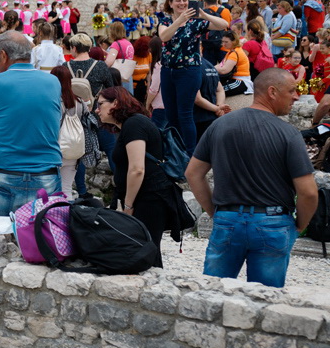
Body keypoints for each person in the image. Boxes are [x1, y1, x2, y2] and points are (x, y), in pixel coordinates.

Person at [186, 68, 318, 288]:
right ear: (272, 92)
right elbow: (309, 192)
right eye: (292, 91)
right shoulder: (288, 134)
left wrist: (214, 212)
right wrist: (298, 227)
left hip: (227, 220)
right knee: (265, 301)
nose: (296, 96)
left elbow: (192, 173)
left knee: (213, 294)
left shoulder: (219, 125)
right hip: (273, 222)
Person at [96, 87, 192, 265]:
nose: (96, 109)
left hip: (149, 197)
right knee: (143, 247)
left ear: (115, 103)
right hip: (147, 195)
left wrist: (128, 206)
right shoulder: (130, 125)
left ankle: (152, 289)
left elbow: (137, 168)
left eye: (100, 104)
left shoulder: (134, 124)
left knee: (144, 249)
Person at [0, 32, 63, 216]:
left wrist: (6, 135)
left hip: (6, 171)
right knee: (44, 236)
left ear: (3, 56)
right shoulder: (52, 81)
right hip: (46, 173)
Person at [159, 0, 227, 156]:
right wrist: (179, 20)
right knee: (171, 114)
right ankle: (177, 151)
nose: (182, 3)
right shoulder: (165, 21)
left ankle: (191, 155)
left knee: (185, 113)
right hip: (168, 71)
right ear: (171, 3)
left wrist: (204, 15)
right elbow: (164, 37)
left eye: (185, 0)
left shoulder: (196, 22)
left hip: (189, 71)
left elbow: (223, 25)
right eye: (178, 0)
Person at [51, 65, 87, 198]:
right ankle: (67, 216)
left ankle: (53, 216)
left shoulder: (52, 102)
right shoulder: (79, 102)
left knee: (52, 190)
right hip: (73, 151)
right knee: (66, 188)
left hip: (55, 150)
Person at [215, 32, 252, 97]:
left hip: (240, 81)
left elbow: (224, 70)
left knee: (218, 91)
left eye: (226, 42)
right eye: (223, 42)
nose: (223, 44)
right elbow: (221, 65)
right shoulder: (231, 51)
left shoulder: (235, 53)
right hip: (234, 79)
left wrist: (210, 68)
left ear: (234, 42)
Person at [105, 21, 135, 92]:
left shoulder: (116, 44)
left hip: (118, 76)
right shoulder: (128, 43)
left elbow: (109, 62)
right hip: (128, 74)